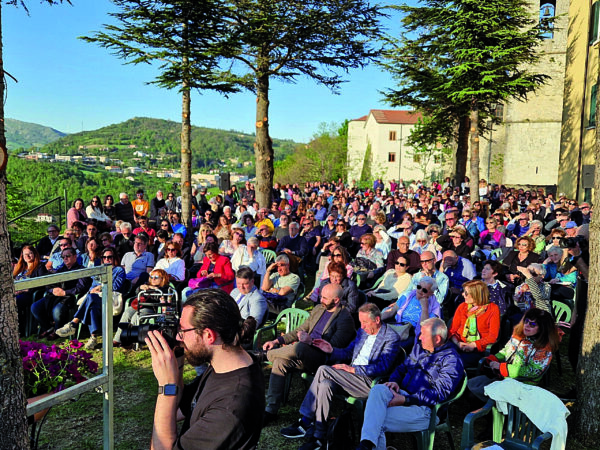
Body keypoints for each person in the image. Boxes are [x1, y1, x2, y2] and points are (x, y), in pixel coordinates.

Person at [145, 288, 264, 449]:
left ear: (209, 335)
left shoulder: (231, 407)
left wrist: (167, 386)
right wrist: (177, 362)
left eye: (183, 330)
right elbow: (179, 409)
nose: (178, 336)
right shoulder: (226, 366)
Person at [280, 303, 400, 448]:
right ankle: (319, 437)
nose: (362, 326)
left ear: (377, 320)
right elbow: (348, 352)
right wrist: (331, 350)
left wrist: (352, 369)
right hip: (350, 378)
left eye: (365, 322)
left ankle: (305, 421)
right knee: (325, 385)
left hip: (368, 383)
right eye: (360, 322)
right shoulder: (363, 332)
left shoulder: (391, 337)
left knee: (324, 370)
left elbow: (383, 367)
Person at [355, 318, 465, 450]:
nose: (419, 337)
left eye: (423, 334)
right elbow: (402, 368)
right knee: (378, 390)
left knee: (376, 420)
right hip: (403, 393)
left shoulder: (451, 361)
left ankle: (365, 446)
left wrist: (406, 399)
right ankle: (366, 445)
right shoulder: (420, 348)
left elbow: (438, 394)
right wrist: (394, 381)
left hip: (426, 409)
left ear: (437, 339)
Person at [263, 283, 356, 422]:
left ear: (336, 300)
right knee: (279, 362)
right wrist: (277, 341)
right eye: (321, 296)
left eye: (325, 298)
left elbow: (333, 347)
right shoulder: (319, 309)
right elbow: (300, 329)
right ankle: (271, 410)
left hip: (323, 359)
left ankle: (262, 356)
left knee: (300, 347)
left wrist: (310, 341)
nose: (321, 300)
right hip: (305, 353)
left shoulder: (345, 318)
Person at [468, 308, 559, 402]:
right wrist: (494, 359)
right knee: (471, 386)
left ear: (542, 328)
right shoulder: (519, 335)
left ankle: (494, 408)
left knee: (475, 395)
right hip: (505, 376)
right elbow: (506, 351)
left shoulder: (544, 348)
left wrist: (502, 368)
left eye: (532, 324)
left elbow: (533, 371)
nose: (527, 325)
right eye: (526, 321)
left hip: (523, 384)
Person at [56, 248, 127, 350]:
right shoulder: (99, 270)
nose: (107, 259)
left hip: (109, 298)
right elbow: (92, 286)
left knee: (90, 298)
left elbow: (116, 286)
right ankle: (93, 337)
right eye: (104, 257)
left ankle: (74, 323)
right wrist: (94, 290)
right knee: (91, 305)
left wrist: (100, 287)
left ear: (114, 257)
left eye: (109, 257)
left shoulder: (119, 270)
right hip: (95, 299)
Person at [31, 247, 93, 338]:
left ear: (75, 256)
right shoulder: (60, 270)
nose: (65, 258)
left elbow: (81, 288)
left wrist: (65, 292)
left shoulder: (82, 270)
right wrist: (52, 290)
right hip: (55, 297)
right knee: (35, 307)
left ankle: (57, 331)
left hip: (70, 298)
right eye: (63, 257)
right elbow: (49, 284)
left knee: (57, 311)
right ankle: (48, 328)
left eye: (68, 256)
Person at [449, 280, 500, 367]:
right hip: (458, 345)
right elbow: (452, 330)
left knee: (455, 362)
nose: (463, 294)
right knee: (442, 357)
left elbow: (492, 336)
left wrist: (473, 345)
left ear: (476, 295)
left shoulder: (493, 309)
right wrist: (458, 343)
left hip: (478, 349)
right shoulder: (462, 307)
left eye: (466, 293)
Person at [113, 268, 170, 347]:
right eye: (151, 277)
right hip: (140, 306)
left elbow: (164, 297)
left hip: (152, 308)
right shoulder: (146, 285)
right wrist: (140, 288)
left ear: (163, 279)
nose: (153, 279)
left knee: (136, 317)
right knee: (127, 312)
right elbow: (136, 292)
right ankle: (117, 339)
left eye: (156, 277)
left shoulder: (165, 288)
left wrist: (154, 289)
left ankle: (131, 341)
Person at [381, 276, 441, 342]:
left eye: (424, 290)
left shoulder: (434, 307)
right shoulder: (408, 295)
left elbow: (424, 327)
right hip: (396, 324)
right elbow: (391, 312)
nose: (420, 291)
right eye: (419, 287)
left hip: (412, 333)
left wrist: (425, 308)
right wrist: (376, 318)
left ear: (431, 293)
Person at [13, 245, 47, 335]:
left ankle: (20, 330)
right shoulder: (20, 268)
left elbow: (42, 283)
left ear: (34, 254)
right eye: (25, 254)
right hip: (16, 292)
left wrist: (24, 290)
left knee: (15, 302)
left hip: (30, 294)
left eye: (30, 253)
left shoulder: (40, 267)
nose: (27, 256)